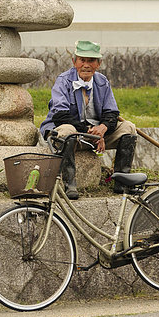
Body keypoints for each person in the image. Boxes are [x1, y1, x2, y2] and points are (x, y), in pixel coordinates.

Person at [40, 40, 137, 199]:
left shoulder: (102, 81)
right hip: (73, 135)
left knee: (129, 128)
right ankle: (69, 184)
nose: (86, 65)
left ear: (98, 64)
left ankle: (121, 182)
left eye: (91, 61)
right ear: (74, 62)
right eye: (82, 60)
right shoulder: (63, 81)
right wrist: (89, 131)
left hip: (95, 135)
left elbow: (112, 112)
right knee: (66, 131)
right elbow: (60, 116)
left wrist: (103, 128)